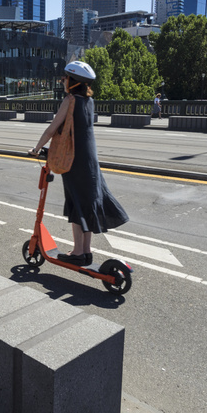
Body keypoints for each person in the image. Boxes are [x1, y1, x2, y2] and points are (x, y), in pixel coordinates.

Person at [29, 61, 128, 266]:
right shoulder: (89, 102)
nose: (63, 80)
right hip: (90, 160)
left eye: (66, 78)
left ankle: (77, 252)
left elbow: (52, 128)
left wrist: (36, 148)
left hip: (74, 160)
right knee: (86, 205)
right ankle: (85, 251)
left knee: (76, 204)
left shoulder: (70, 100)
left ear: (73, 82)